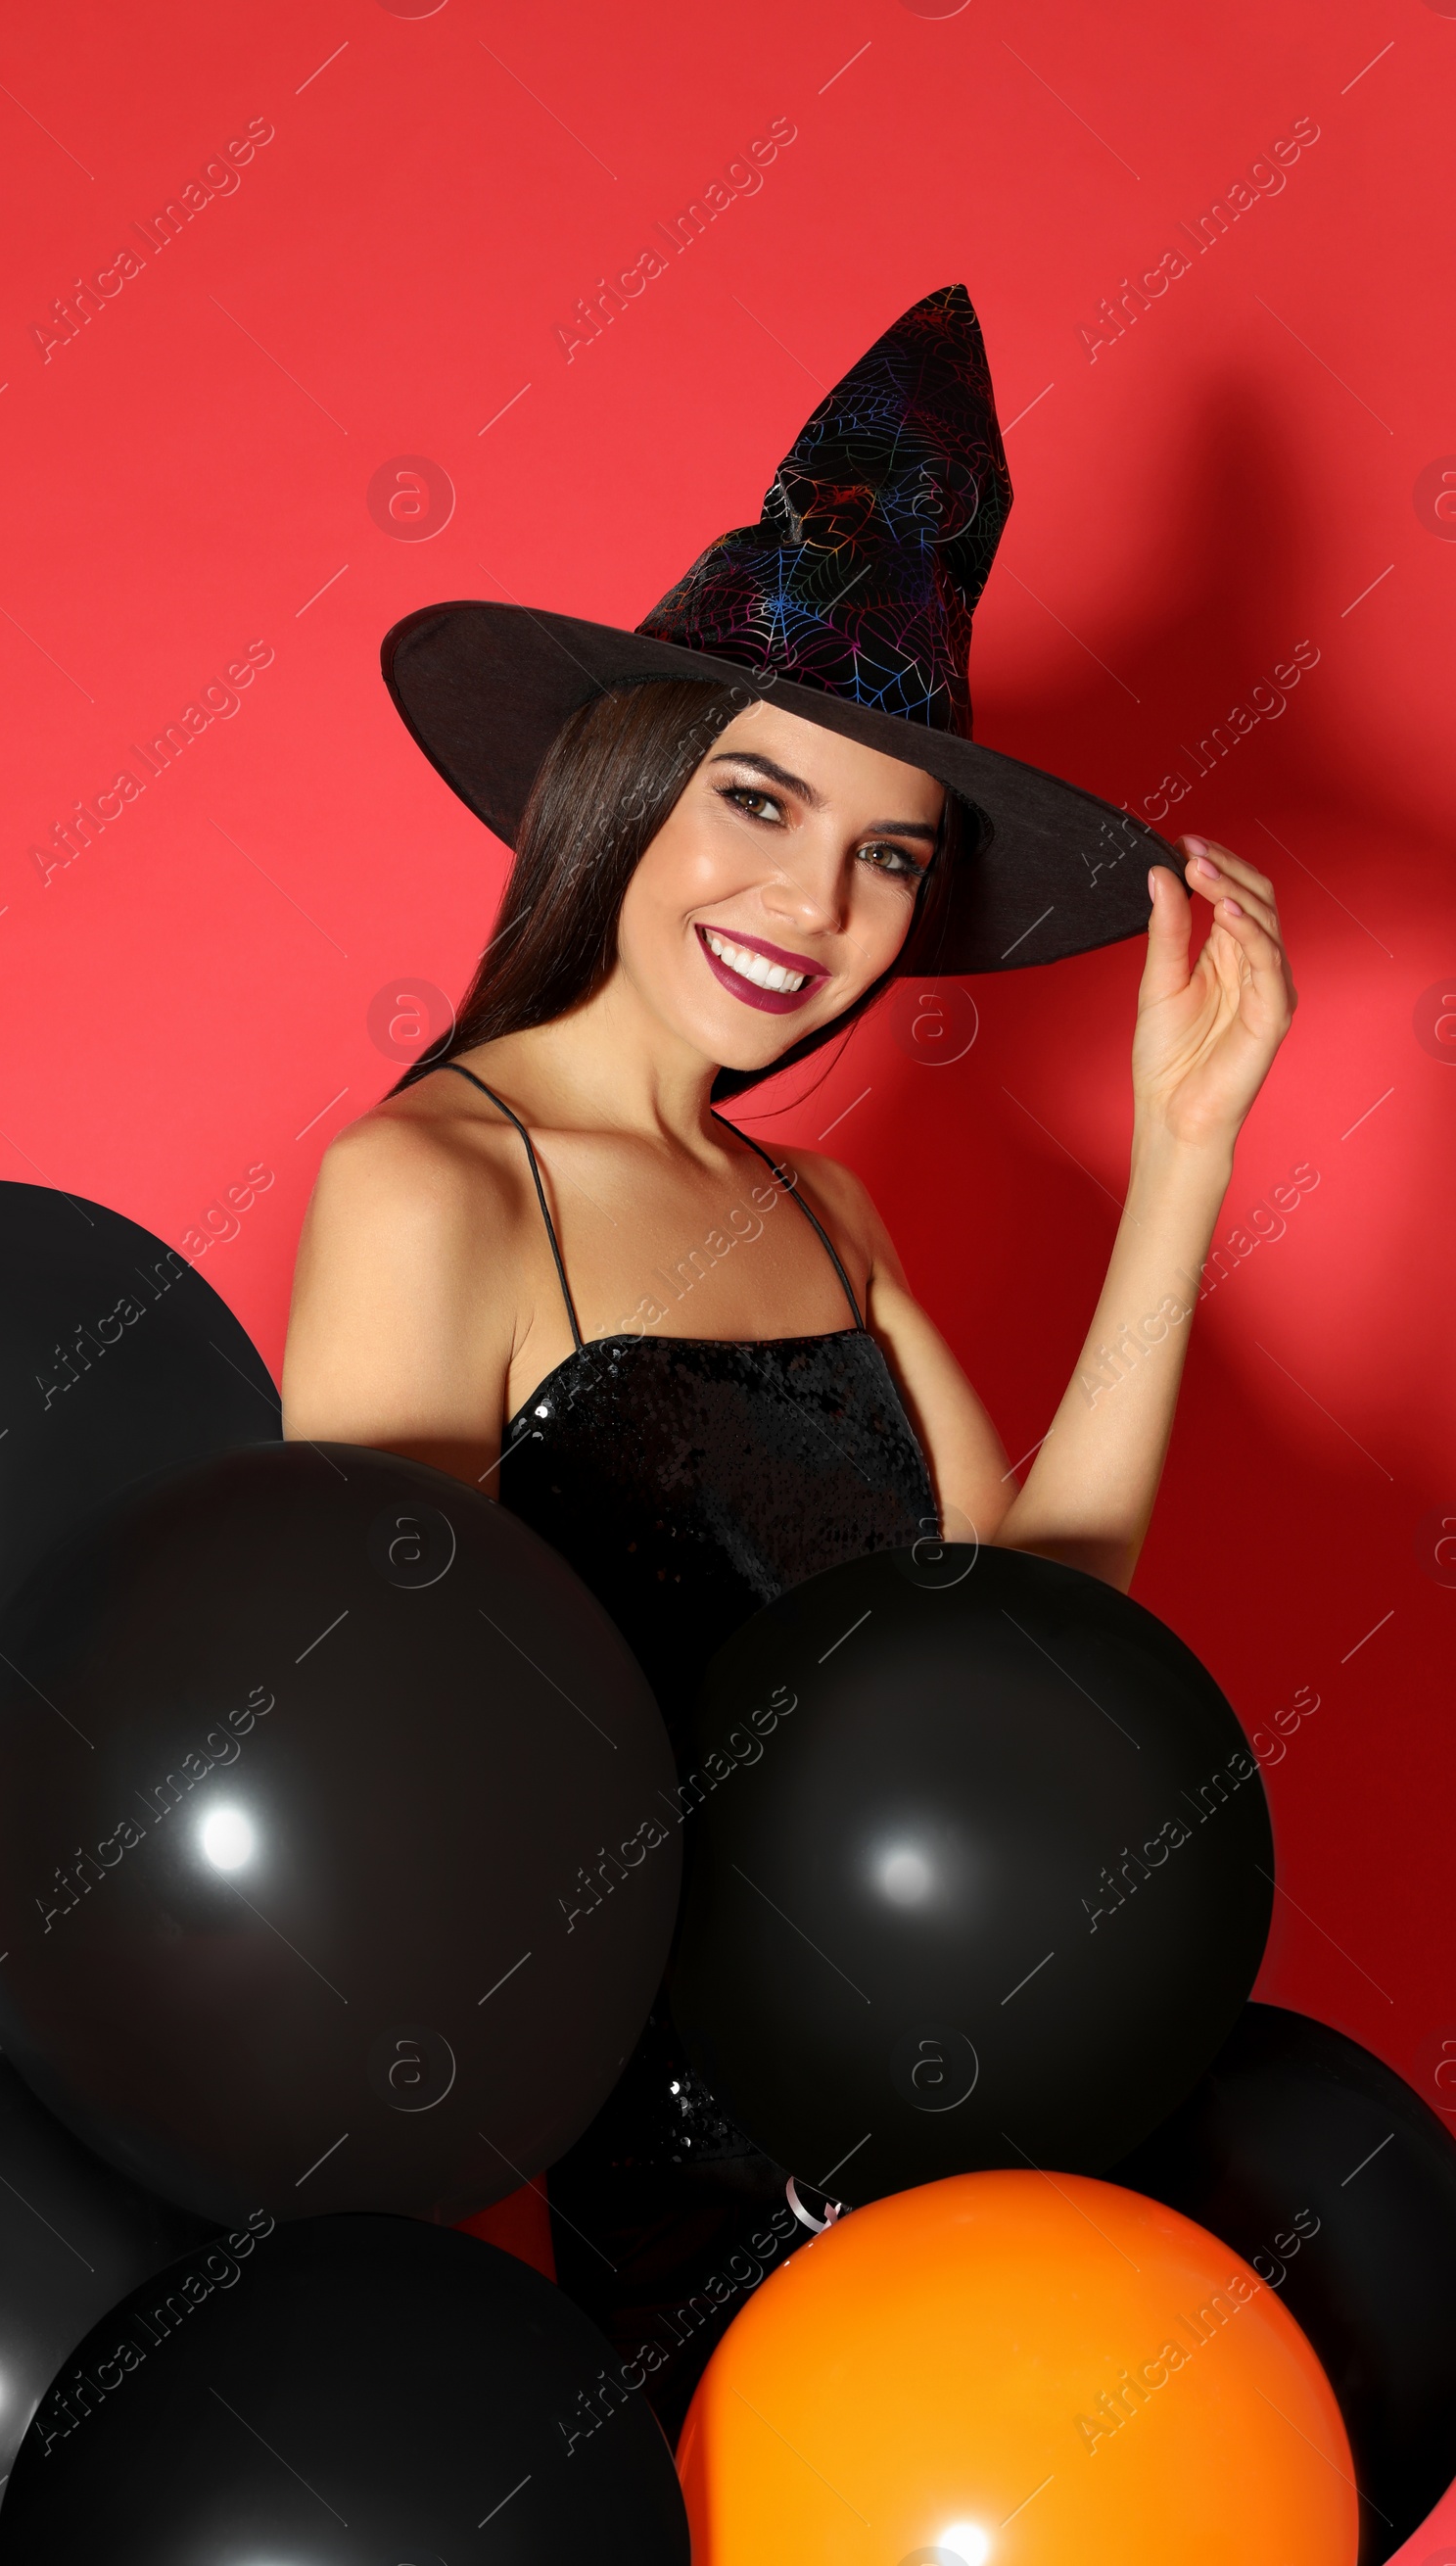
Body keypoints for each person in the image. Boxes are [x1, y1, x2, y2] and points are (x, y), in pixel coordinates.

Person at [280, 285, 1295, 2436]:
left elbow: (1034, 1640)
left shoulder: (826, 1214)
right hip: (619, 2197)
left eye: (883, 854)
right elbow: (385, 1809)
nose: (807, 897)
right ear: (628, 782)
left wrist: (1184, 1151)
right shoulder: (429, 1191)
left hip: (928, 2139)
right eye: (754, 798)